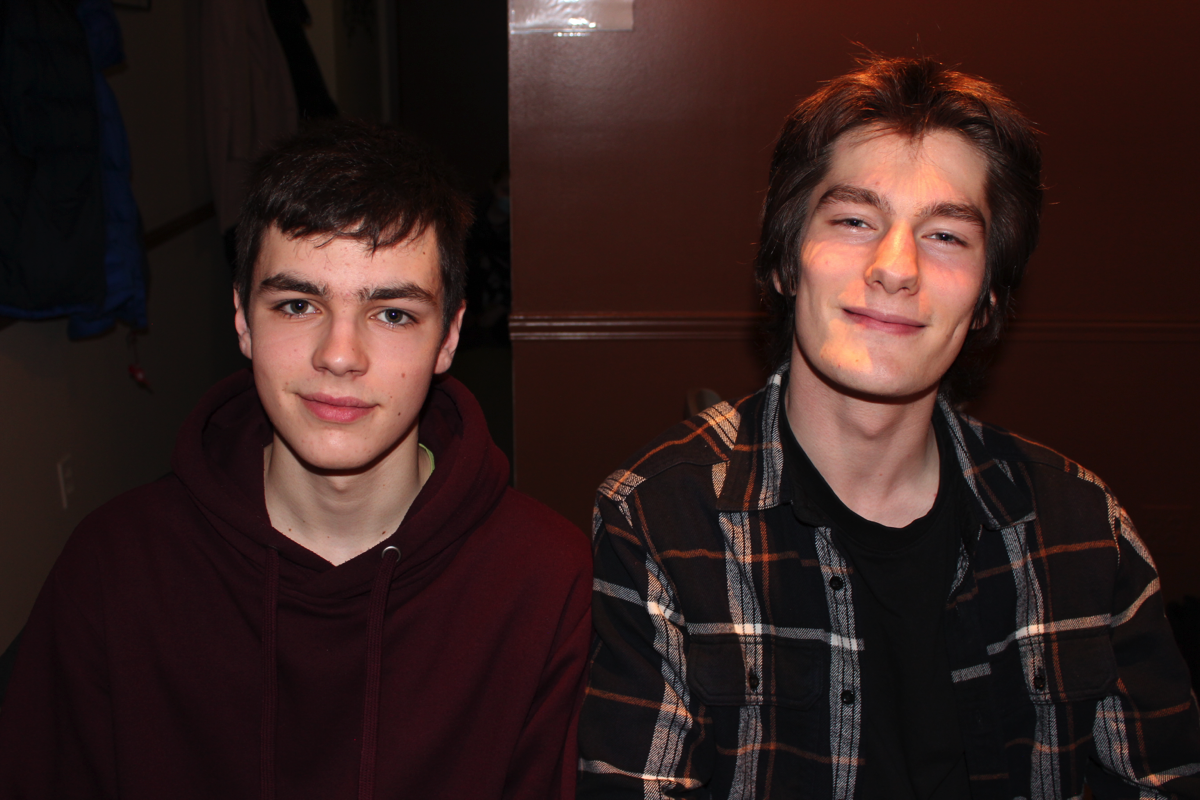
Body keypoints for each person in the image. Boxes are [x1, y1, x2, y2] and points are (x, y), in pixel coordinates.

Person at [577, 55, 1200, 799]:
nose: (895, 266)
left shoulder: (1084, 527)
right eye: (854, 220)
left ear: (988, 299)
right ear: (785, 263)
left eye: (946, 236)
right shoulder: (658, 521)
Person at [0, 120, 592, 799]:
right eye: (297, 304)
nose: (338, 355)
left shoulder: (543, 580)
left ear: (449, 337)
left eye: (392, 313)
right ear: (243, 321)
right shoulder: (115, 566)